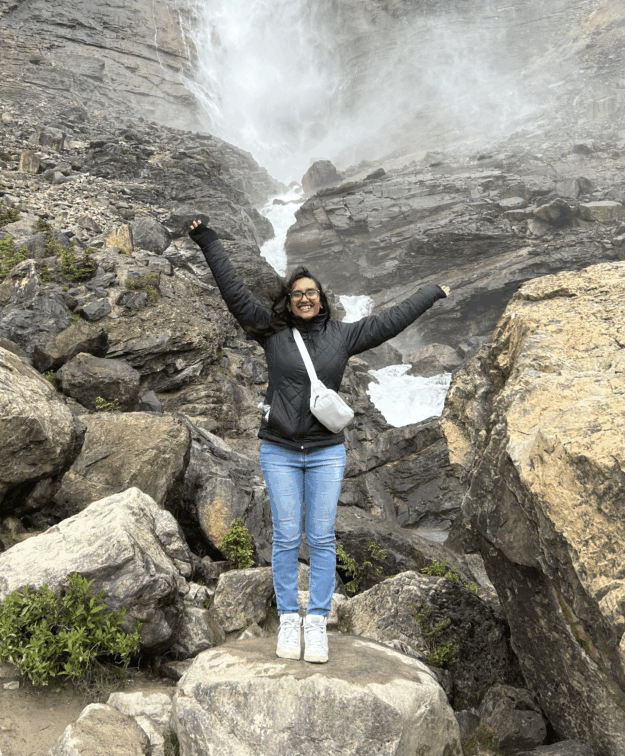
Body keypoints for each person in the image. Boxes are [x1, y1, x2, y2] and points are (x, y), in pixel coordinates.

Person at [188, 218, 449, 664]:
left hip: (327, 452)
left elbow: (391, 320)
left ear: (322, 299)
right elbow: (233, 290)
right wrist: (207, 240)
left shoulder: (343, 337)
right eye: (297, 293)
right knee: (288, 537)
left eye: (312, 292)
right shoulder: (270, 330)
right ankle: (290, 618)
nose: (305, 298)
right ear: (288, 302)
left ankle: (317, 621)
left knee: (322, 538)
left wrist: (431, 292)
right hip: (280, 451)